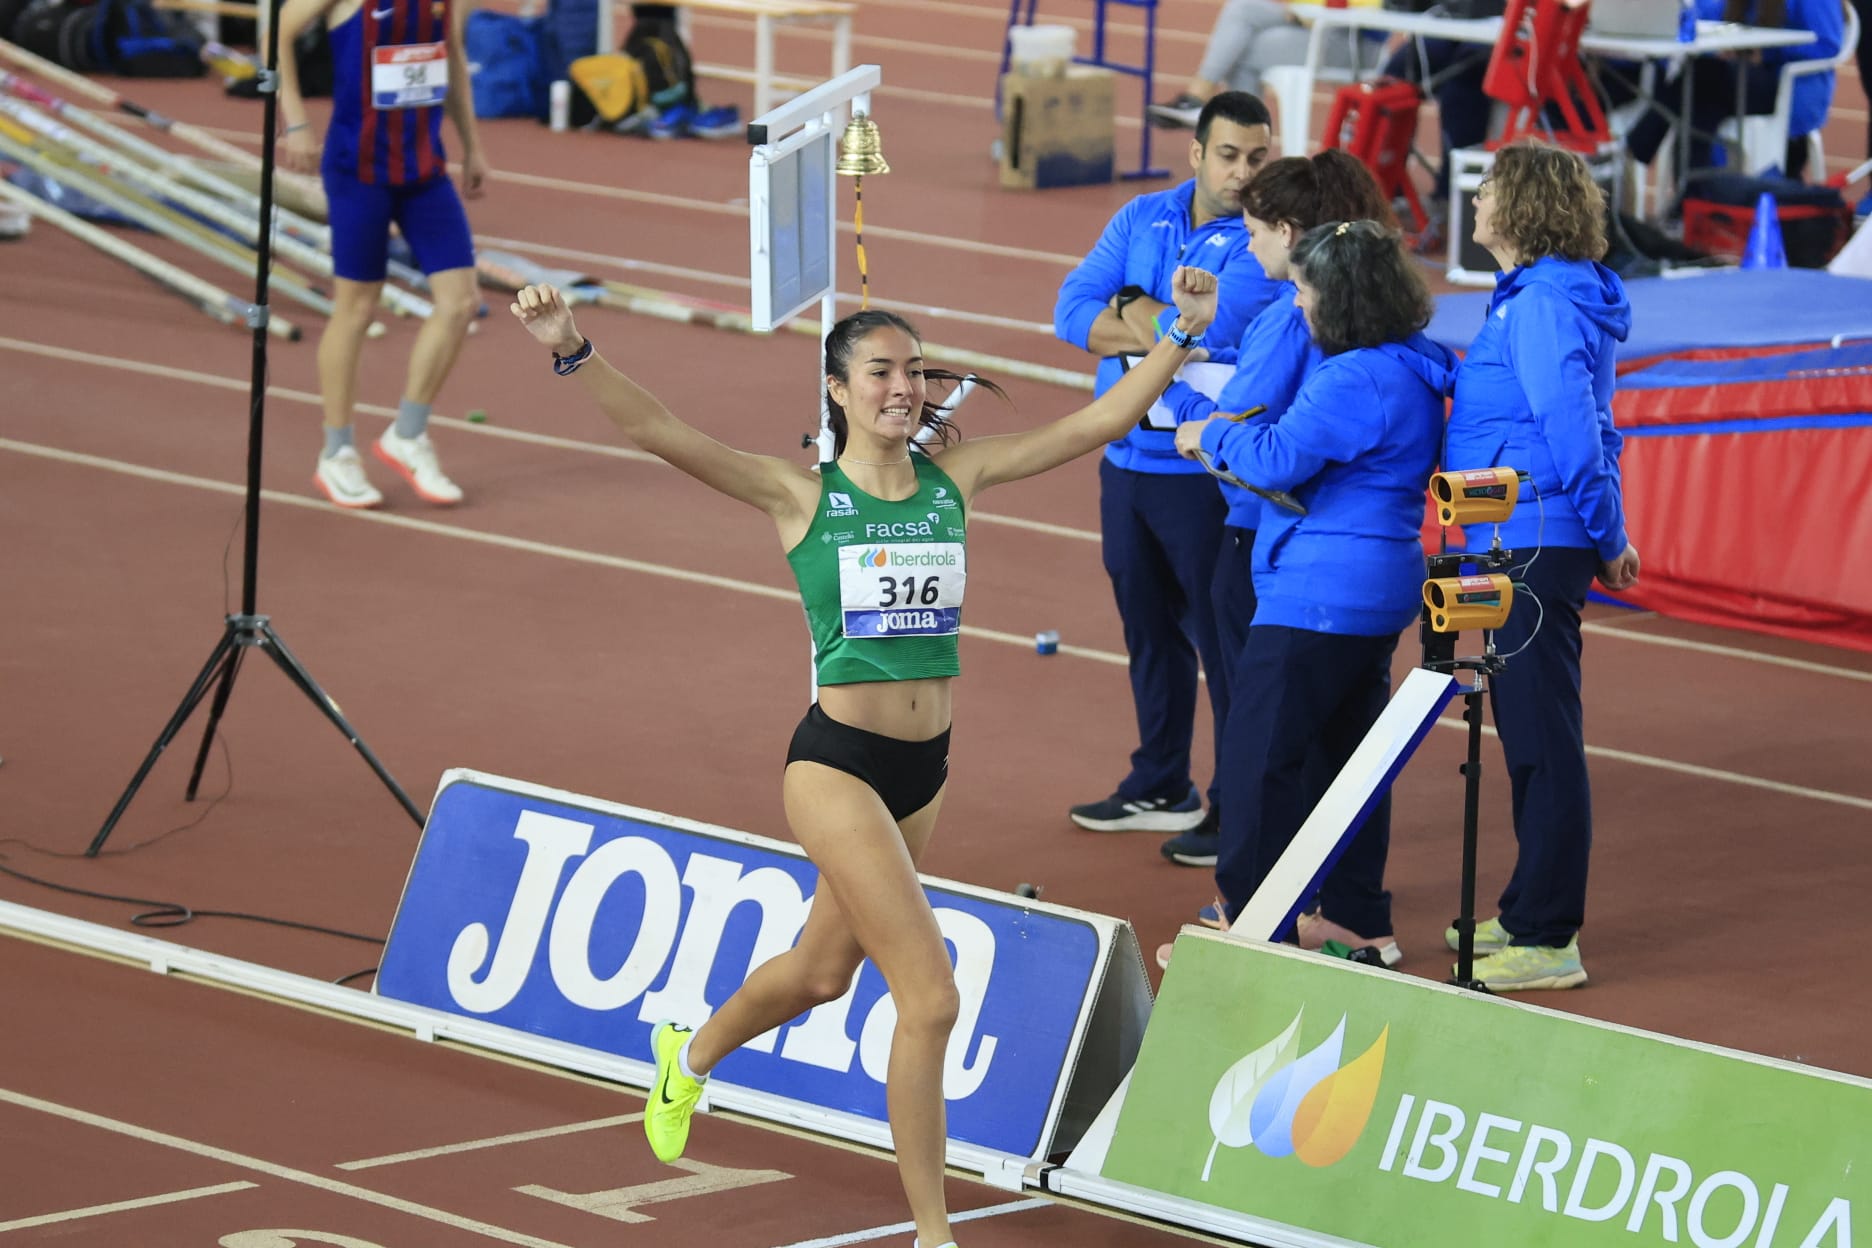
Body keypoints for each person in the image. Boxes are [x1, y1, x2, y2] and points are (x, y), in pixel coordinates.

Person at [510, 268, 1219, 1248]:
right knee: (929, 995)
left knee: (817, 975)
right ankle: (934, 1234)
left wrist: (1178, 338)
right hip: (835, 765)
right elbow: (659, 432)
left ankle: (689, 1052)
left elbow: (1092, 428)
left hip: (922, 773)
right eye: (881, 371)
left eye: (918, 371)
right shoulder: (799, 494)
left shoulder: (954, 481)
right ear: (837, 391)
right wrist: (571, 345)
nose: (905, 386)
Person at [1170, 219, 1454, 963]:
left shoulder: (1354, 377)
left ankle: (1252, 924)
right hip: (1376, 585)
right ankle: (1358, 918)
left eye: (1305, 287)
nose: (1295, 300)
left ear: (1342, 296)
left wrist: (1208, 432)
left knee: (1259, 756)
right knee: (1346, 760)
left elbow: (1272, 457)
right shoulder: (1415, 365)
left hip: (1319, 591)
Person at [1151, 150, 1398, 886]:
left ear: (1291, 233)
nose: (1246, 245)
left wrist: (1183, 397)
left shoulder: (1296, 320)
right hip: (1346, 563)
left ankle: (1258, 908)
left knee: (1266, 739)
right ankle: (1347, 907)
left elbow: (1251, 431)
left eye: (1254, 230)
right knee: (1337, 746)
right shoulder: (1382, 337)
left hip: (1278, 546)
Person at [1054, 92, 1281, 843]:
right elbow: (1069, 312)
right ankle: (1161, 781)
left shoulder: (1262, 241)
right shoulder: (1141, 215)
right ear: (1196, 152)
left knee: (1224, 643)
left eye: (1258, 157)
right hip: (1126, 461)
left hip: (1203, 474)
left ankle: (1236, 803)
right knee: (1148, 632)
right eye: (1229, 155)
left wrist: (1129, 308)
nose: (1245, 172)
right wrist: (1167, 321)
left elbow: (1225, 326)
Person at [1442, 140, 1639, 992]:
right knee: (1526, 737)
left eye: (1486, 188)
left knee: (1543, 743)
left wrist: (1607, 535)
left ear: (1519, 206)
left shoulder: (1541, 308)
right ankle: (1529, 908)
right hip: (1510, 538)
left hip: (1531, 543)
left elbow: (1575, 430)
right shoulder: (1530, 299)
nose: (1474, 200)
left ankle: (1550, 935)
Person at [279, 0, 488, 509]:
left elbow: (451, 58)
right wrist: (297, 121)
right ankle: (337, 452)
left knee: (459, 302)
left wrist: (473, 146)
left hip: (423, 171)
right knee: (355, 309)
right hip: (358, 171)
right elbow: (277, 34)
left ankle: (408, 435)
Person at [1623, 0, 1846, 179]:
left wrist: (1768, 53)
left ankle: (1638, 145)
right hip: (1739, 76)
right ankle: (1693, 201)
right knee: (1699, 104)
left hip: (1788, 87)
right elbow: (1706, 12)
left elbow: (1827, 44)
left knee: (1700, 77)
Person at [1146, 0, 1384, 128]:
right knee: (1241, 8)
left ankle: (1240, 134)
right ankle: (1199, 97)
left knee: (1244, 48)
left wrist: (1311, 12)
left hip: (1352, 42)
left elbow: (1371, 11)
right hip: (1308, 20)